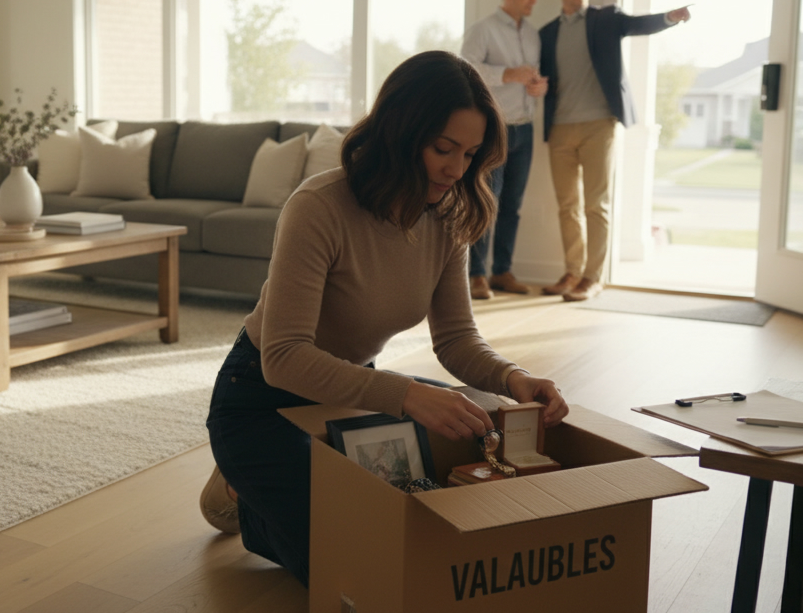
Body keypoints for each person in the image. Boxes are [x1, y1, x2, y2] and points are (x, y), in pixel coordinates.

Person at [199, 51, 569, 587]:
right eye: (443, 148)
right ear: (400, 132)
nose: (456, 169)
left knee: (473, 429)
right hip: (260, 399)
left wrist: (515, 379)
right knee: (358, 557)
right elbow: (283, 357)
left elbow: (458, 339)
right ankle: (243, 492)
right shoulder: (319, 207)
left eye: (468, 154)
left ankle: (262, 483)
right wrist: (408, 395)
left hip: (349, 394)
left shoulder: (447, 215)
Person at [538, 0, 690, 301]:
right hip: (559, 128)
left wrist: (670, 17)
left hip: (598, 126)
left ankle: (592, 277)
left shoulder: (604, 19)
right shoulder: (546, 33)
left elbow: (638, 24)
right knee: (567, 206)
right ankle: (571, 272)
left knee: (596, 204)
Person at [460, 0, 548, 300]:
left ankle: (502, 272)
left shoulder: (533, 34)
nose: (534, 0)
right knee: (487, 202)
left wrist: (538, 87)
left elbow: (530, 77)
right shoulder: (482, 30)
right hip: (493, 131)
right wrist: (507, 74)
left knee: (512, 204)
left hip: (525, 131)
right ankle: (475, 274)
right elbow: (465, 70)